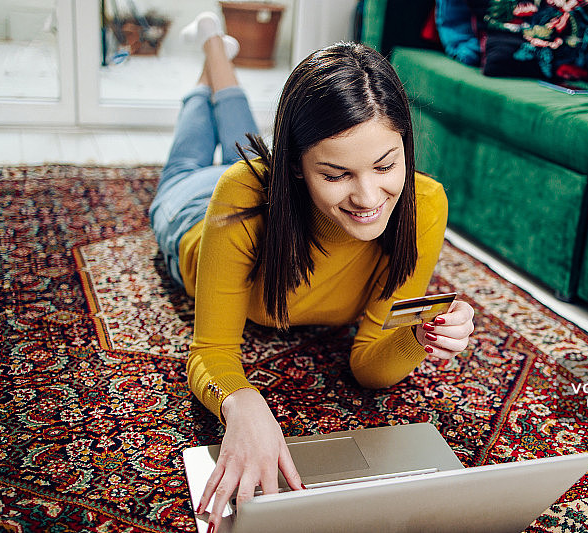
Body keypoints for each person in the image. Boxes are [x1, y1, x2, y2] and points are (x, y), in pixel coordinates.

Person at [149, 11, 476, 532]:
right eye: (336, 174)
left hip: (271, 173)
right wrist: (241, 401)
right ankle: (212, 50)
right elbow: (211, 352)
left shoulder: (424, 203)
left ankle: (216, 49)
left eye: (387, 166)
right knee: (187, 165)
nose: (369, 199)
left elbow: (369, 366)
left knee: (244, 139)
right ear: (297, 168)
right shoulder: (244, 192)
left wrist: (418, 335)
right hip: (190, 215)